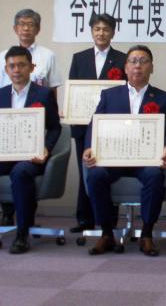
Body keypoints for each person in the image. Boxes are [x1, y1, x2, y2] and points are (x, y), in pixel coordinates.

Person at [0, 46, 61, 254]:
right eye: (12, 66)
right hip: (2, 154)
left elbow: (55, 128)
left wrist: (46, 149)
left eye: (21, 65)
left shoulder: (43, 94)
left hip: (30, 156)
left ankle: (22, 234)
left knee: (21, 173)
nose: (16, 70)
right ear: (6, 70)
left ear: (31, 67)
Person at [82, 45, 166, 257]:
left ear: (151, 67)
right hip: (114, 158)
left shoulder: (163, 98)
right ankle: (106, 233)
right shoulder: (109, 95)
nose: (138, 66)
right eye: (133, 61)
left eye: (143, 61)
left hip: (146, 160)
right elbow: (94, 124)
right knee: (96, 175)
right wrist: (89, 146)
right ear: (125, 67)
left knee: (154, 175)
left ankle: (147, 234)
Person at [0, 8, 62, 226]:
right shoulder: (3, 55)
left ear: (38, 28)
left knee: (23, 171)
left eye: (30, 24)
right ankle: (7, 213)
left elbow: (52, 90)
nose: (26, 28)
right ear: (15, 28)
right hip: (6, 126)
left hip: (35, 126)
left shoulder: (48, 55)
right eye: (21, 24)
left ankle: (24, 220)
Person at [68, 13, 127, 233]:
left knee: (107, 169)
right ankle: (84, 219)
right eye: (97, 29)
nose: (101, 33)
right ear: (91, 31)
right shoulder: (79, 58)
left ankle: (109, 219)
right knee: (85, 169)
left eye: (106, 29)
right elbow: (73, 89)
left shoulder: (123, 59)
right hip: (83, 123)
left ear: (113, 32)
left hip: (111, 127)